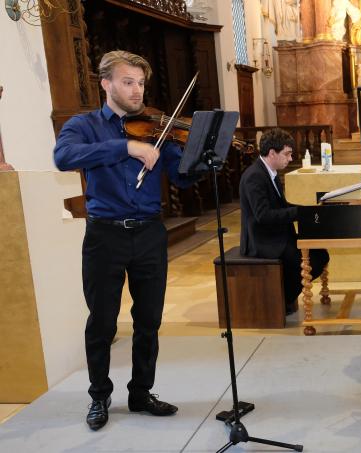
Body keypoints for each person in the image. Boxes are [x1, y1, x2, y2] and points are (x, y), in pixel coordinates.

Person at [54, 50, 194, 431]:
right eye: (128, 82)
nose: (137, 90)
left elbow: (180, 177)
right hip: (105, 234)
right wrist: (125, 147)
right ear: (106, 84)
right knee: (102, 322)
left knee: (148, 319)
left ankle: (140, 392)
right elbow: (63, 156)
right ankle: (99, 395)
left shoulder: (154, 127)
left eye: (141, 83)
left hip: (149, 231)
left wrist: (197, 159)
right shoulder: (83, 125)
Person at [239, 128, 329, 315]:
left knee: (320, 254)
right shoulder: (254, 176)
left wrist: (306, 210)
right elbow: (263, 216)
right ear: (272, 153)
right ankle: (278, 301)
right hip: (263, 241)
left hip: (276, 234)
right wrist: (299, 213)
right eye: (287, 154)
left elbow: (281, 206)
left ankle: (282, 298)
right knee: (311, 260)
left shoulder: (269, 172)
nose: (290, 159)